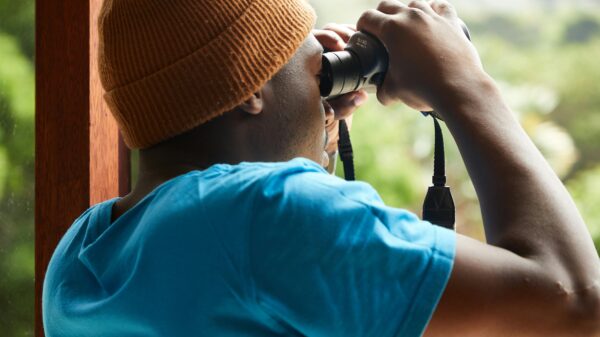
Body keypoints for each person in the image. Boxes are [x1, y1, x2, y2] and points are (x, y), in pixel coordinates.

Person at [42, 0, 600, 336]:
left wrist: (312, 139)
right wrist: (464, 85)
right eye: (302, 51)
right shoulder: (265, 213)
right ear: (251, 89)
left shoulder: (82, 253)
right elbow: (576, 300)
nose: (321, 62)